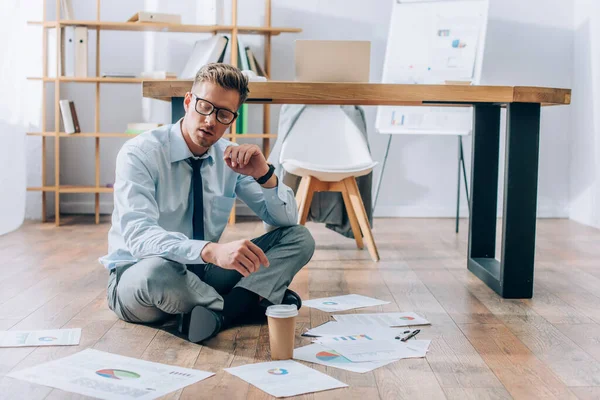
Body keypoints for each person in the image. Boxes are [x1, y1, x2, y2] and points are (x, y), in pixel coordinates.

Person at [99, 63, 315, 343]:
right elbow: (139, 238)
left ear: (232, 119)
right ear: (189, 102)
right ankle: (247, 302)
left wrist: (265, 176)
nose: (211, 120)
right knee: (159, 272)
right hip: (141, 276)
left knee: (300, 237)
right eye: (205, 107)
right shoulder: (140, 154)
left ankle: (219, 314)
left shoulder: (230, 157)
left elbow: (285, 224)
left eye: (223, 114)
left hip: (203, 276)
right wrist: (211, 251)